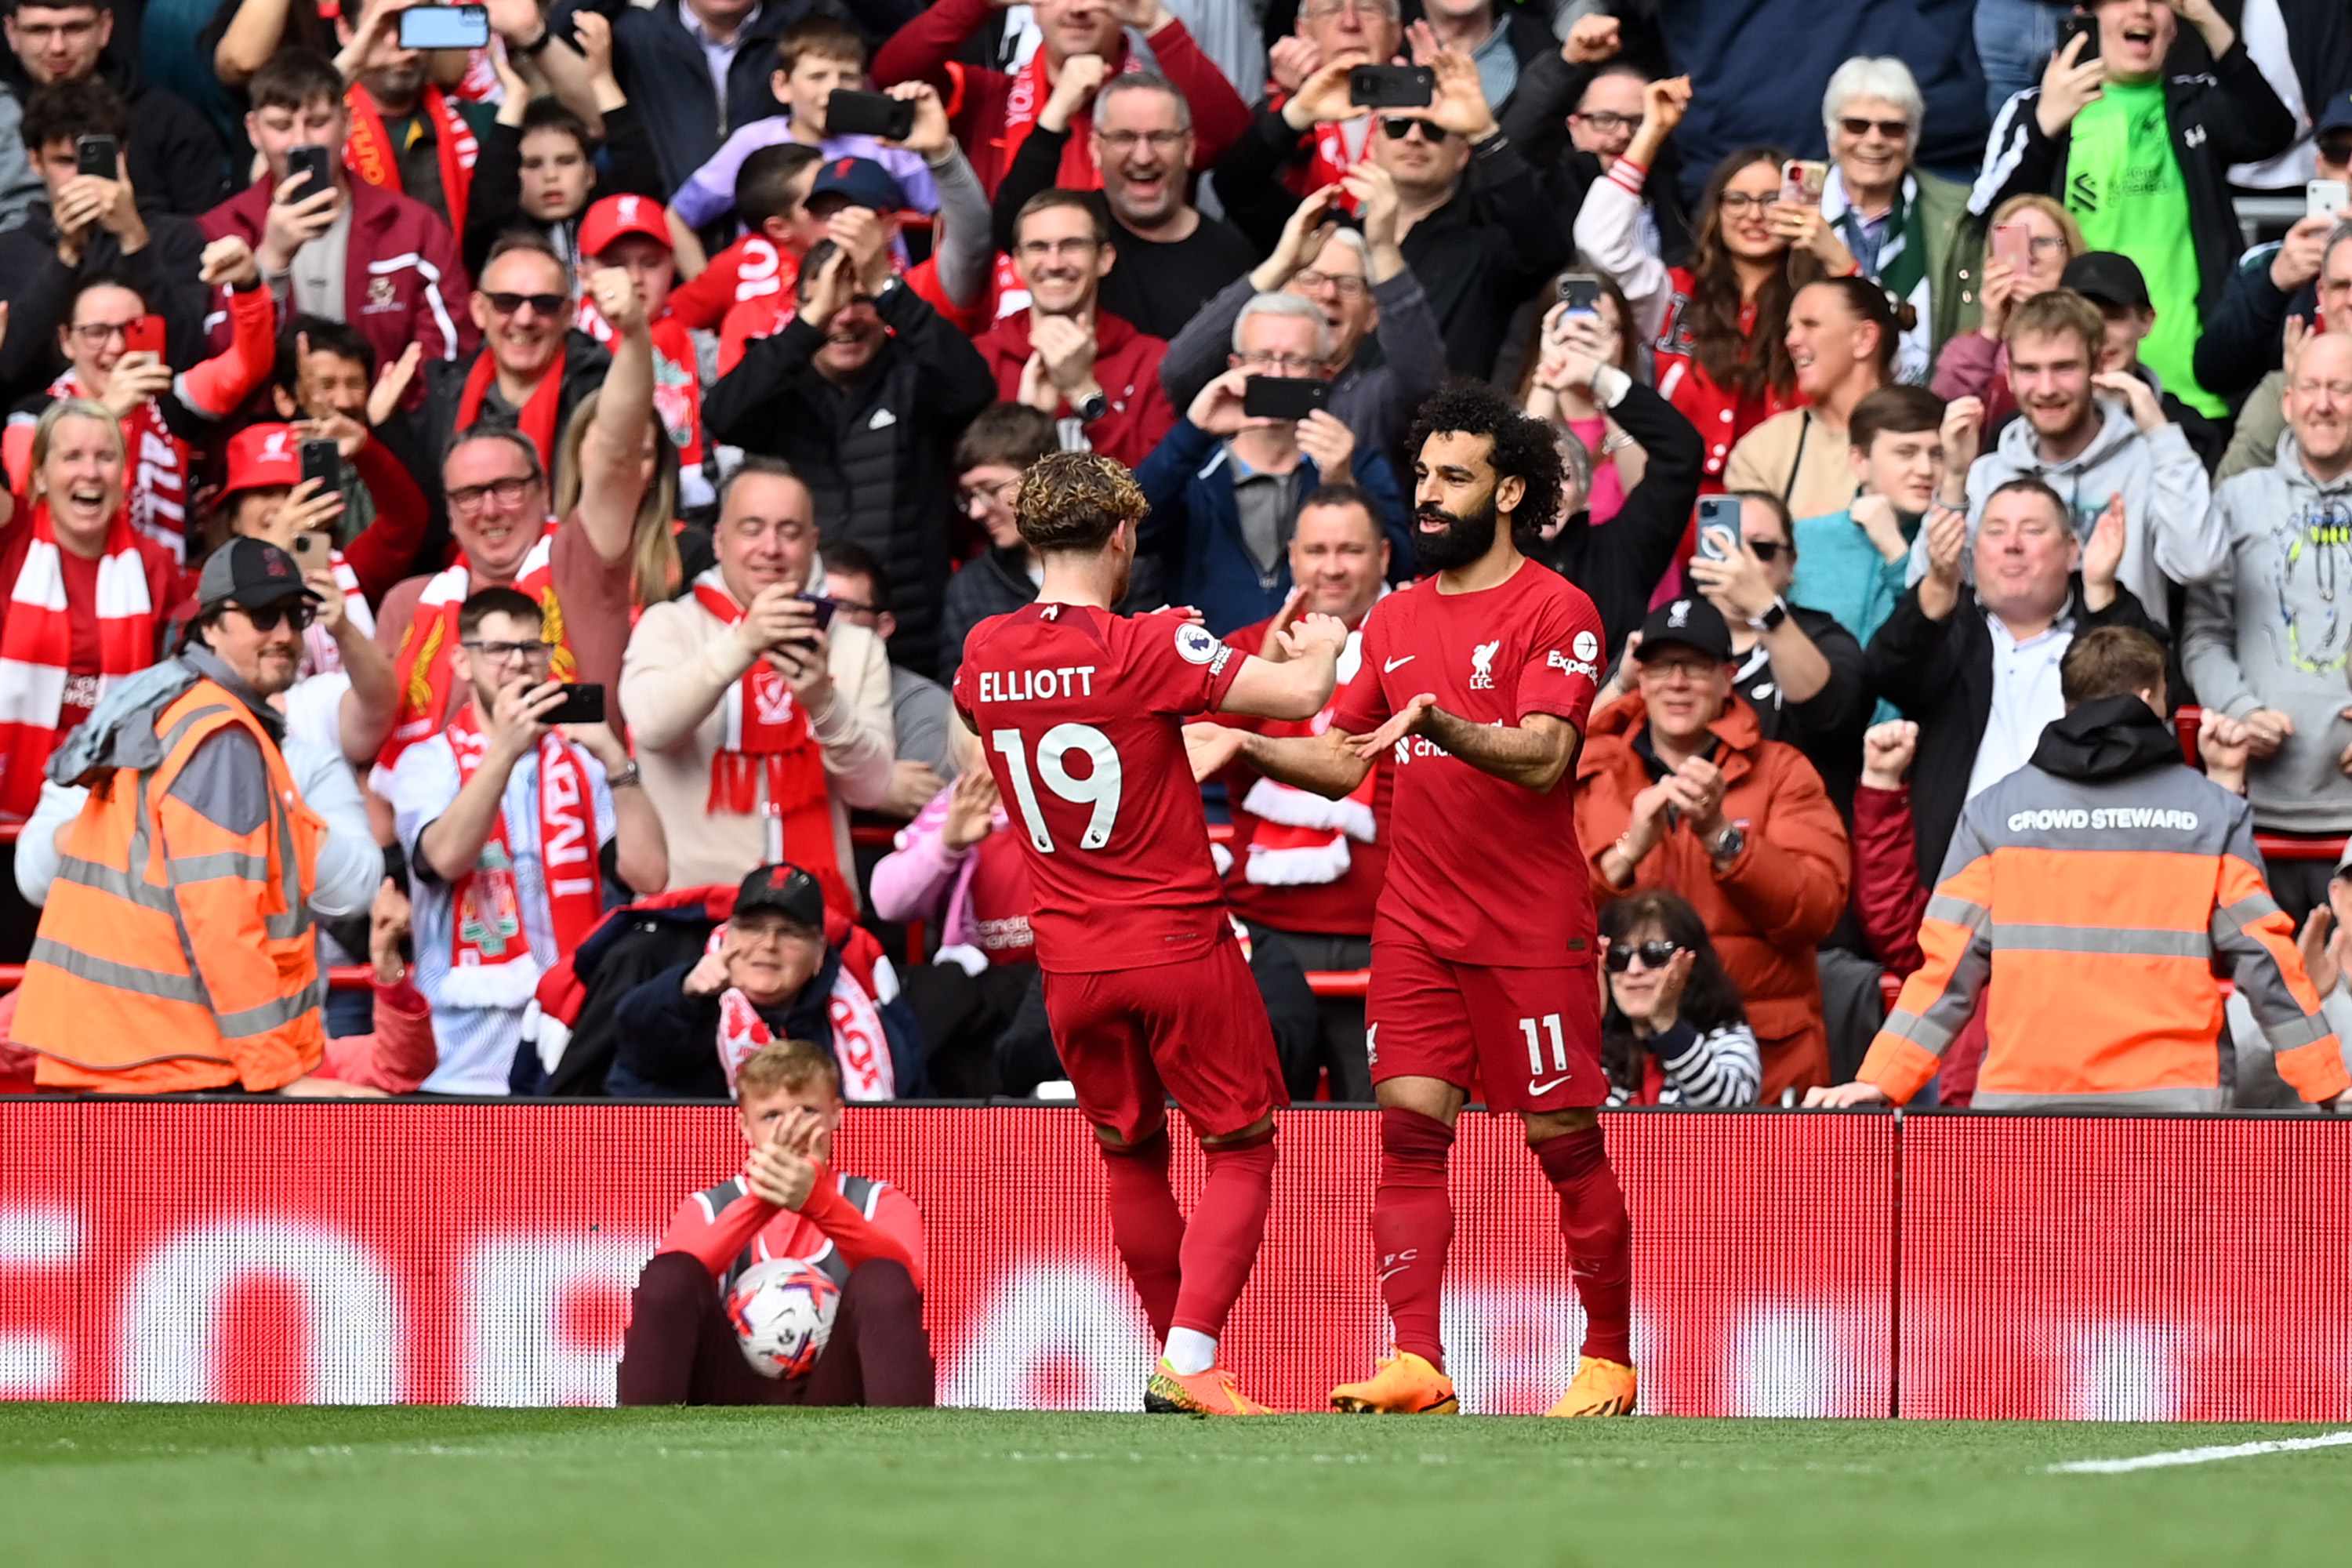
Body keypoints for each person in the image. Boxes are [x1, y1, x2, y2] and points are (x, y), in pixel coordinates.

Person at [1181, 383, 1635, 1421]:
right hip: (1418, 925)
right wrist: (1247, 740)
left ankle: (1608, 1357)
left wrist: (1444, 726)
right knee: (1409, 1136)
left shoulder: (1556, 610)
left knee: (1565, 1145)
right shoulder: (1392, 616)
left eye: (1453, 479)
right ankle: (1417, 1358)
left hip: (1528, 927)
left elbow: (1546, 757)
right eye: (1423, 477)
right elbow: (1346, 759)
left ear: (1510, 491)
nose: (1427, 498)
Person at [953, 450, 1352, 1415]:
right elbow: (1299, 702)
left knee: (1130, 1154)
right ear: (1123, 534)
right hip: (1175, 939)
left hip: (1069, 960)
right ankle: (1191, 1356)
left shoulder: (984, 650)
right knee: (1243, 1146)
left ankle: (1187, 1362)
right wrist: (1325, 645)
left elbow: (1011, 711)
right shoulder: (1152, 644)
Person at [1812, 626, 2350, 1113]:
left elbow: (1945, 970)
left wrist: (1881, 1081)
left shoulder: (1996, 814)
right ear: (2150, 696)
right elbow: (2268, 963)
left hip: (2024, 1104)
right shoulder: (2211, 815)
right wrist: (2331, 1084)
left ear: (2066, 700)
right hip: (2176, 1105)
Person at [13, 538, 339, 1093]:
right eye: (264, 615)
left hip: (122, 1054)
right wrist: (277, 1074)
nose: (285, 633)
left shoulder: (167, 706)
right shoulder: (219, 734)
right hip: (175, 1065)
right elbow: (221, 919)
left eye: (296, 614)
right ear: (210, 625)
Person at [390, 586, 666, 1094]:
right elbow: (445, 859)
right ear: (463, 662)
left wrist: (616, 762)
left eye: (532, 650)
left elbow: (649, 874)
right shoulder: (428, 761)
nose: (518, 664)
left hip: (566, 1035)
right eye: (498, 650)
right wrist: (503, 753)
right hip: (461, 1052)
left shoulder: (579, 760)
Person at [1576, 594, 1850, 1098]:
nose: (1676, 683)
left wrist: (1724, 838)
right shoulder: (1594, 770)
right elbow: (1544, 914)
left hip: (1763, 1069)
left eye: (1695, 668)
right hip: (1622, 1067)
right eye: (1661, 667)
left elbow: (1817, 910)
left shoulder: (1783, 771)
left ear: (1729, 677)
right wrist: (1626, 851)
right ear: (1640, 675)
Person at [1969, 0, 2296, 421]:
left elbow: (2272, 131)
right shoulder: (2035, 110)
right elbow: (1987, 219)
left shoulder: (2196, 102)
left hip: (2194, 392)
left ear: (2174, 25)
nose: (2141, 9)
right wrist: (2044, 127)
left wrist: (2209, 19)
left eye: (2159, 0)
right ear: (2086, 15)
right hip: (2073, 391)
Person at [702, 226, 996, 679]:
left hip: (913, 636)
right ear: (800, 308)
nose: (845, 317)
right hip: (804, 635)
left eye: (860, 300)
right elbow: (721, 415)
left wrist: (888, 289)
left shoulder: (916, 374)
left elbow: (975, 387)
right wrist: (808, 326)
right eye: (828, 301)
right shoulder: (779, 379)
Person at [619, 459, 895, 905]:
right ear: (719, 540)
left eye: (789, 532)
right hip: (692, 911)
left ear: (813, 544)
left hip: (815, 917)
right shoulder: (668, 624)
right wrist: (741, 645)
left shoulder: (856, 645)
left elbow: (873, 787)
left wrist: (824, 702)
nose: (771, 548)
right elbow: (653, 727)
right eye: (752, 529)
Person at [1196, 485, 1393, 1102]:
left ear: (1384, 557)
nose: (1331, 566)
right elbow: (1193, 754)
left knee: (1390, 1135)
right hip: (1265, 939)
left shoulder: (1417, 642)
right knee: (1267, 1135)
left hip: (1390, 935)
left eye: (1350, 549)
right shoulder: (1246, 648)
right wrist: (1264, 673)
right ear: (1292, 556)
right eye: (1316, 550)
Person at [1864, 477, 2159, 883]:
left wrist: (2102, 590)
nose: (2012, 544)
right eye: (1996, 531)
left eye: (2033, 531)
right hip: (1962, 873)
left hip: (2085, 871)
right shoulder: (1953, 627)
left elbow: (2157, 698)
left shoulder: (2100, 625)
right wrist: (1938, 583)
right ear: (1974, 551)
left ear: (2072, 550)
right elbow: (1886, 672)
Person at [616, 1033, 934, 1406]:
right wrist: (765, 1198)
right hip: (728, 1390)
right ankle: (642, 1450)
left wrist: (819, 1203)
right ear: (744, 1126)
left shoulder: (881, 1202)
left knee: (884, 1275)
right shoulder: (706, 1207)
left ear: (836, 1115)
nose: (791, 1131)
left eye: (808, 1113)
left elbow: (905, 1288)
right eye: (772, 1116)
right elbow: (667, 1298)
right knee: (670, 1272)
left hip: (837, 1391)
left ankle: (904, 1453)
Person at [1218, 42, 1569, 378]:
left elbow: (1546, 250)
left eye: (1434, 130)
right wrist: (1298, 113)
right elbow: (1235, 186)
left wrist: (1485, 133)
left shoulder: (1484, 254)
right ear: (1372, 143)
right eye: (1397, 126)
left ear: (1462, 154)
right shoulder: (1324, 235)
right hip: (1316, 428)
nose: (1414, 137)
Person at [2180, 332, 2352, 921]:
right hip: (2254, 810)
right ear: (2287, 401)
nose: (2322, 404)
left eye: (2341, 389)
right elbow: (2202, 635)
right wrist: (2239, 708)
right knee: (2262, 1004)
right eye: (2309, 387)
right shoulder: (2236, 499)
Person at [1945, 288, 2219, 633]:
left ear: (2098, 365)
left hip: (2122, 673)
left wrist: (2161, 435)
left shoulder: (2149, 462)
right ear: (2010, 376)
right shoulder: (1989, 473)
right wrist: (1953, 481)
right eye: (2030, 370)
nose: (2046, 388)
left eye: (2063, 368)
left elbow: (2199, 562)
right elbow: (1935, 588)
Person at [197, 47, 474, 387]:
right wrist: (270, 262)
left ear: (347, 123)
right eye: (281, 126)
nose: (299, 142)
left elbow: (449, 364)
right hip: (265, 432)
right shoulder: (220, 230)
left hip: (385, 431)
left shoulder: (414, 227)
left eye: (317, 123)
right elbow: (215, 369)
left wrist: (379, 425)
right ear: (253, 131)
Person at [1136, 292, 1407, 635]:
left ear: (1324, 375)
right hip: (1210, 669)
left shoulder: (1359, 464)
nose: (1276, 373)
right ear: (1235, 366)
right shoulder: (1195, 464)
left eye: (1294, 361)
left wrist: (1341, 482)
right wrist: (1193, 431)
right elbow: (1134, 532)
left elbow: (1399, 566)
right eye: (1262, 358)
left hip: (1322, 667)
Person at [1160, 173, 1446, 482]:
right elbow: (1178, 372)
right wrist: (1281, 264)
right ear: (1283, 293)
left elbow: (1425, 387)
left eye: (1348, 285)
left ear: (1373, 315)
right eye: (1310, 278)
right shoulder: (1238, 390)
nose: (1328, 295)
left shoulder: (1374, 401)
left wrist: (1384, 249)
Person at [5, 252, 275, 563]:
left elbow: (248, 364)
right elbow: (20, 496)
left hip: (160, 585)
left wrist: (247, 286)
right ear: (67, 341)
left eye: (133, 329)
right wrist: (106, 415)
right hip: (66, 587)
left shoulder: (166, 402)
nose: (117, 347)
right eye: (97, 333)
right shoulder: (35, 413)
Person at [1581, 121, 1804, 485]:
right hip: (1675, 501)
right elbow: (1598, 242)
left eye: (1771, 200)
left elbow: (1877, 350)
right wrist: (1651, 134)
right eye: (1737, 200)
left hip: (1782, 504)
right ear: (1715, 209)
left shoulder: (1818, 300)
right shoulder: (1670, 289)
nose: (1754, 215)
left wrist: (1831, 253)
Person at [0, 399, 183, 819]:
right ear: (41, 476)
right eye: (72, 457)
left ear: (124, 475)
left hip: (114, 797)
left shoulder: (156, 565)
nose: (91, 472)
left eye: (105, 457)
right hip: (17, 792)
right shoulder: (12, 543)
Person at [871, 0, 1251, 198]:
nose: (1078, 8)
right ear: (1032, 9)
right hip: (1006, 326)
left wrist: (1157, 23)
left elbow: (1235, 142)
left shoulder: (1159, 110)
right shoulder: (988, 96)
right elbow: (891, 74)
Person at [987, 69, 1258, 341]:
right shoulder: (1078, 228)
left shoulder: (1232, 255)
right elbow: (1011, 225)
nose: (1143, 157)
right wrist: (1056, 114)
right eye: (1124, 138)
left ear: (1188, 148)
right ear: (1095, 149)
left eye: (1160, 137)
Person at [607, 863, 913, 1102]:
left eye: (789, 932)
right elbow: (636, 1044)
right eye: (752, 928)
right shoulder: (688, 997)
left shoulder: (871, 1019)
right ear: (728, 935)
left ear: (819, 952)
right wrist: (685, 998)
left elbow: (913, 1117)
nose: (768, 944)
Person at [0, 79, 216, 408]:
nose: (80, 177)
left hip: (154, 428)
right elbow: (12, 367)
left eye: (92, 160)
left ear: (123, 155)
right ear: (35, 161)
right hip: (40, 434)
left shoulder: (174, 238)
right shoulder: (10, 250)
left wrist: (134, 239)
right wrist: (67, 254)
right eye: (64, 161)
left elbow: (186, 355)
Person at [1519, 304, 1705, 651]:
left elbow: (1681, 451)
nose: (1550, 489)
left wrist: (1599, 374)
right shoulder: (1492, 556)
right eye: (1539, 475)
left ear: (1585, 490)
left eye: (1563, 476)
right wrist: (1548, 373)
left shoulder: (1622, 552)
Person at [1683, 492, 1871, 814]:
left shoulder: (1823, 636)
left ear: (1791, 563)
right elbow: (1596, 731)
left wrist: (1764, 609)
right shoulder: (1674, 630)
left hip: (1793, 833)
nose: (1740, 563)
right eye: (1724, 544)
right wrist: (1622, 681)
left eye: (1761, 549)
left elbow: (1834, 715)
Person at [669, 13, 940, 235]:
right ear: (782, 86)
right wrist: (710, 289)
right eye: (817, 76)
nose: (833, 89)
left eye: (847, 77)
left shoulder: (884, 143)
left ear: (864, 84)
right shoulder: (752, 142)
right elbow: (678, 217)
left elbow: (944, 215)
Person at [971, 189, 1176, 472]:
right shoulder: (980, 359)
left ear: (1104, 259)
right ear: (1017, 263)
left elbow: (1155, 491)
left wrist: (1084, 391)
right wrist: (1031, 423)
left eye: (1072, 246)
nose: (1055, 264)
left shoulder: (1152, 361)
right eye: (1039, 247)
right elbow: (972, 494)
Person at [461, 17, 663, 280]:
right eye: (533, 164)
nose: (551, 176)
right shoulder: (499, 238)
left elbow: (639, 173)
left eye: (566, 161)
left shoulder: (616, 226)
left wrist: (602, 80)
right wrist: (515, 99)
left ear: (591, 175)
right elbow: (489, 197)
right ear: (512, 174)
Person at [541, 0, 798, 201]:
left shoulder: (797, 30)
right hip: (661, 239)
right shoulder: (638, 34)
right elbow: (565, 26)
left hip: (771, 238)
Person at [0, 0, 227, 219]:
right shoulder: (5, 114)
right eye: (39, 31)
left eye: (75, 28)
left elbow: (203, 236)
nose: (58, 47)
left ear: (105, 27)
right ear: (11, 32)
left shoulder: (171, 123)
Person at [1817, 56, 1969, 378]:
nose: (1874, 140)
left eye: (1893, 128)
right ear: (1832, 138)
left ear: (1912, 142)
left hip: (1920, 408)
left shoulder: (1960, 215)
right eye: (1857, 125)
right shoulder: (1794, 206)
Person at [1498, 16, 1692, 270]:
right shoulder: (1552, 192)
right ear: (1574, 127)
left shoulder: (1675, 195)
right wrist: (1566, 63)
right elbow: (1514, 144)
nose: (1623, 134)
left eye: (1638, 122)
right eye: (1605, 119)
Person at [1790, 385, 1971, 655]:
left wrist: (1897, 555)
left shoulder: (1963, 547)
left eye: (1937, 454)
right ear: (1860, 461)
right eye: (1906, 452)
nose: (1925, 470)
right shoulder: (1804, 540)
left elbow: (1947, 642)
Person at [417, 231, 611, 480]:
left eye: (545, 304)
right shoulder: (443, 399)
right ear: (479, 310)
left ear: (567, 316)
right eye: (506, 302)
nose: (525, 319)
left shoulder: (602, 398)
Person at [2194, 105, 2351, 405]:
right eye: (2339, 152)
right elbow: (2213, 372)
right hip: (2293, 435)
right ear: (2320, 164)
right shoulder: (2270, 261)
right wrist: (2273, 283)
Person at [1722, 277, 1900, 523]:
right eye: (1790, 329)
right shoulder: (1764, 448)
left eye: (1811, 324)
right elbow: (1744, 556)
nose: (1791, 341)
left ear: (1865, 338)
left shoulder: (1927, 434)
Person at [328, 0, 499, 238]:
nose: (403, 44)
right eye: (386, 24)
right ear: (345, 30)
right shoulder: (321, 130)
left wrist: (533, 36)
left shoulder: (478, 122)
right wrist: (351, 64)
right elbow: (271, 174)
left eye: (415, 23)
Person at [819, 539, 957, 808]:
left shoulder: (925, 706)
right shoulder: (770, 683)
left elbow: (927, 806)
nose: (827, 619)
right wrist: (880, 787)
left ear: (883, 626)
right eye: (817, 602)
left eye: (843, 607)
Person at [1926, 192, 2085, 423]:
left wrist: (2049, 314)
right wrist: (1989, 330)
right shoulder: (1970, 346)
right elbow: (1941, 416)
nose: (2029, 256)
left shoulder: (2095, 332)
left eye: (2043, 243)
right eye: (2014, 244)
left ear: (2069, 254)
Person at [2059, 250, 2226, 468]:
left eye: (2113, 318)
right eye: (2080, 319)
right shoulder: (2023, 429)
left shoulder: (2192, 431)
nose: (2098, 333)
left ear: (2146, 321)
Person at [1596, 889, 1762, 1107]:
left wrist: (1670, 1029)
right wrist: (1587, 1025)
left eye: (1653, 954)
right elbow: (1565, 1118)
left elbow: (1732, 1110)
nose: (1634, 970)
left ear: (1691, 964)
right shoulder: (1597, 1044)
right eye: (1619, 957)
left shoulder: (1725, 1035)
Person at [938, 402, 1058, 684]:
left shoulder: (1121, 567)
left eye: (991, 490)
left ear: (1041, 476)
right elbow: (958, 696)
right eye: (971, 495)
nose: (977, 511)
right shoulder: (969, 589)